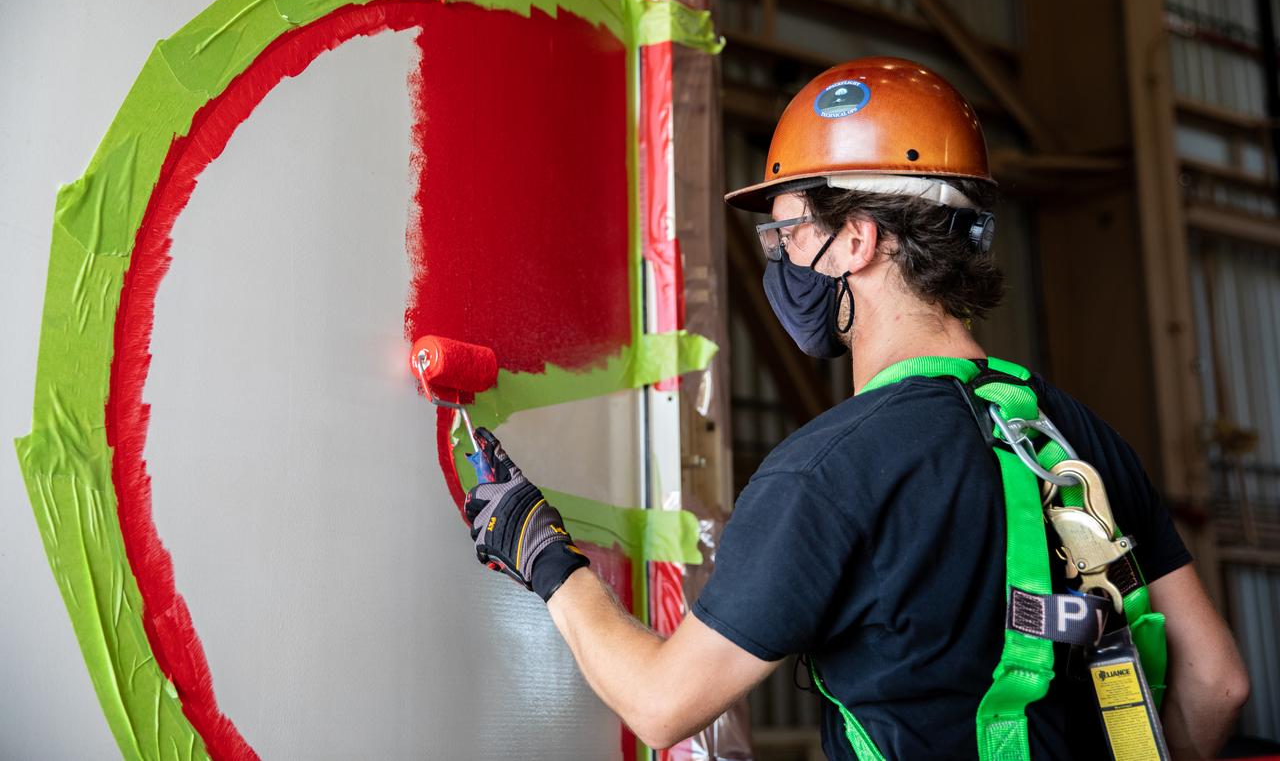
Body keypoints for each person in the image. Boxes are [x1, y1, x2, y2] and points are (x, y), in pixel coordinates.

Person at [460, 57, 1249, 760]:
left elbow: (662, 705)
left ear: (858, 241)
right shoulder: (1078, 439)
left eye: (790, 233)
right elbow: (1218, 683)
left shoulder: (826, 473)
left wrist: (546, 557)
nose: (782, 261)